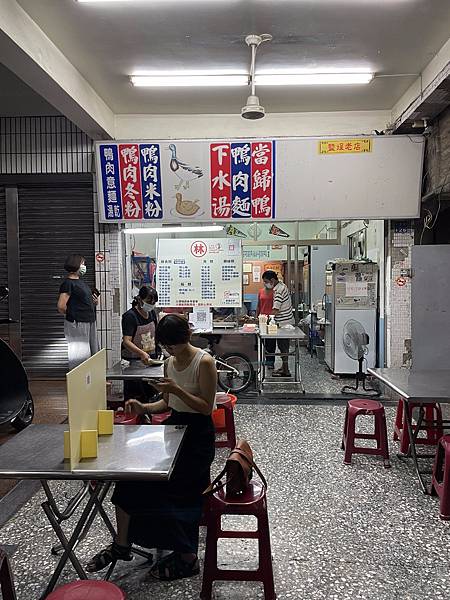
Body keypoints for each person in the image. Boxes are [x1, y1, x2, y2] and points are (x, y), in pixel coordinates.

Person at [87, 314, 216, 581]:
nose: (171, 351)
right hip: (174, 428)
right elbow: (167, 403)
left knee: (179, 490)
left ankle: (187, 556)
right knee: (131, 482)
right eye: (167, 347)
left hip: (197, 436)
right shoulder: (169, 363)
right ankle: (122, 544)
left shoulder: (204, 362)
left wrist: (178, 391)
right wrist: (144, 406)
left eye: (175, 346)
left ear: (187, 338)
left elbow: (205, 407)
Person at [57, 254, 99, 371]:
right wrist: (74, 316)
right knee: (80, 356)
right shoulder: (68, 283)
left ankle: (91, 381)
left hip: (89, 321)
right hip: (78, 322)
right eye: (82, 264)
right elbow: (61, 306)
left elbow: (83, 301)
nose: (84, 266)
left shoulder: (82, 283)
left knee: (92, 352)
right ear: (75, 264)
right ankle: (79, 384)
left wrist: (94, 302)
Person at [121, 286, 159, 402]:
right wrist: (141, 353)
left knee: (150, 394)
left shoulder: (152, 313)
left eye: (153, 302)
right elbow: (126, 341)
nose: (151, 304)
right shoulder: (130, 316)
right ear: (140, 299)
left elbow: (156, 333)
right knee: (136, 396)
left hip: (150, 360)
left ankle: (148, 417)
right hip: (133, 362)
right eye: (149, 301)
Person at [262, 270, 295, 377]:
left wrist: (266, 319)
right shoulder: (281, 285)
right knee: (282, 347)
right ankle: (284, 368)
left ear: (272, 280)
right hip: (285, 322)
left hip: (284, 324)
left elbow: (276, 309)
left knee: (283, 347)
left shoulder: (279, 290)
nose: (265, 284)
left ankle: (286, 371)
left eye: (266, 281)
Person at [256, 280, 275, 369]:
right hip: (262, 319)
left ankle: (271, 362)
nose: (267, 283)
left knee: (271, 342)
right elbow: (259, 305)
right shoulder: (261, 291)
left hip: (272, 319)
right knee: (263, 341)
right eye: (265, 281)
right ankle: (265, 359)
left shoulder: (275, 291)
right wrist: (256, 317)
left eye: (268, 281)